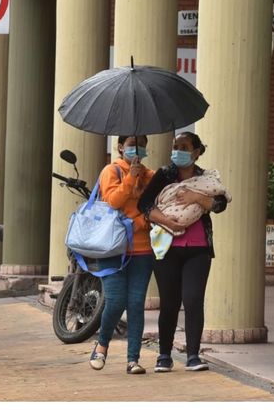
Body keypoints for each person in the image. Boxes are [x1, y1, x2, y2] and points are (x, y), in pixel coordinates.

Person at [138, 131, 229, 372]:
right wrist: (168, 222)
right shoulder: (165, 174)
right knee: (169, 302)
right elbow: (145, 205)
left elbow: (219, 205)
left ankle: (193, 356)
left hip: (198, 248)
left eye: (185, 146)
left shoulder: (206, 179)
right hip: (167, 247)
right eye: (176, 146)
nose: (178, 150)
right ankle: (164, 356)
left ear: (196, 152)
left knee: (193, 300)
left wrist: (196, 197)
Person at [89, 135, 155, 375]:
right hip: (112, 248)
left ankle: (133, 359)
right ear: (120, 147)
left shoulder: (150, 175)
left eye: (142, 145)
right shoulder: (111, 171)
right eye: (131, 145)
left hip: (142, 249)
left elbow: (156, 208)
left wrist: (139, 221)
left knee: (136, 303)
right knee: (116, 301)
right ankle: (102, 344)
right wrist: (131, 177)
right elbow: (114, 201)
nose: (137, 149)